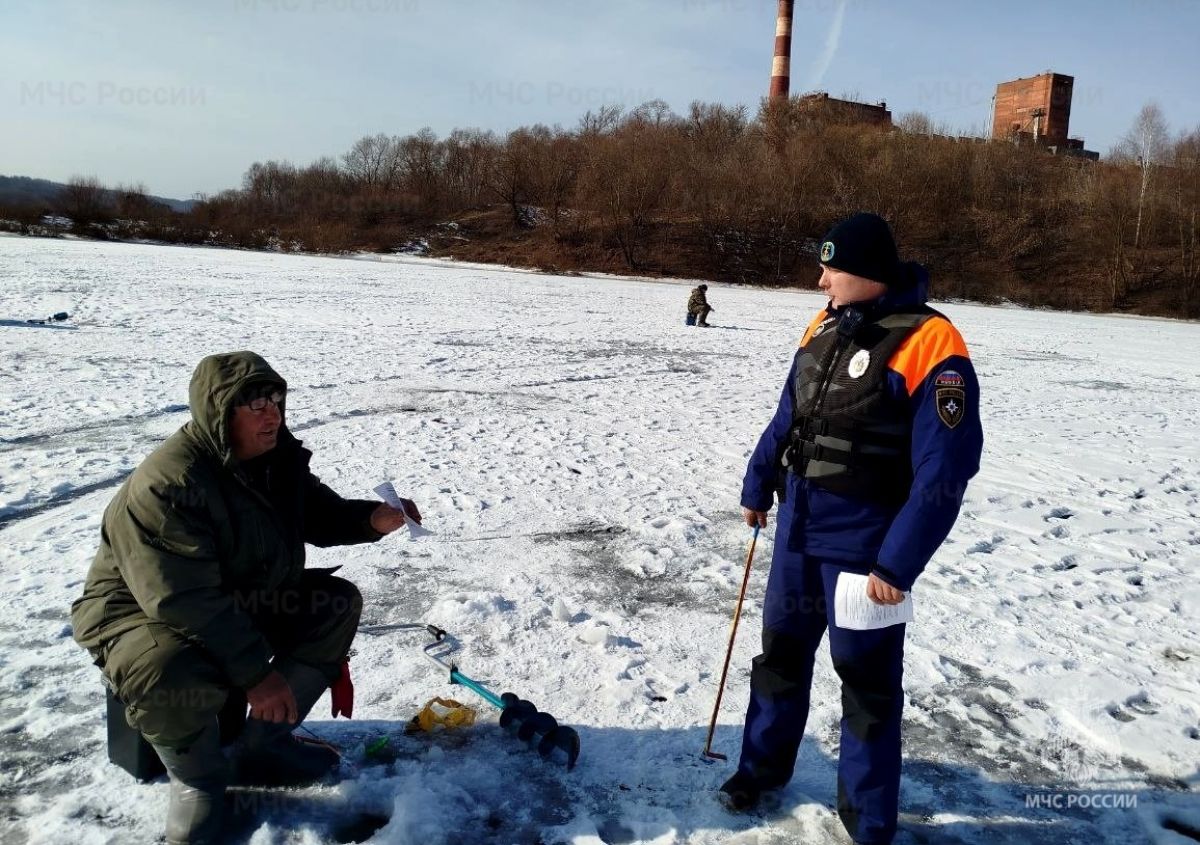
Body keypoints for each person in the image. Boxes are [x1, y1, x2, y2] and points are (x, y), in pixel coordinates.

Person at [71, 351, 418, 845]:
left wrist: (371, 520)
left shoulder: (273, 463)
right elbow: (185, 601)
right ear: (219, 412)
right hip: (143, 617)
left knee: (333, 603)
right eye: (254, 403)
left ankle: (263, 747)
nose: (272, 413)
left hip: (235, 601)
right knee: (164, 664)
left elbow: (319, 515)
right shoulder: (171, 484)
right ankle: (198, 780)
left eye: (275, 399)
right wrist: (258, 675)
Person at [720, 213, 983, 844]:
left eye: (831, 270)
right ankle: (759, 770)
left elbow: (947, 466)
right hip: (797, 533)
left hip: (866, 551)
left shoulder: (932, 342)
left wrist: (899, 562)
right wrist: (759, 482)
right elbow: (791, 412)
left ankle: (868, 819)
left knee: (866, 682)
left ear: (865, 273)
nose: (819, 282)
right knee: (779, 657)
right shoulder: (827, 324)